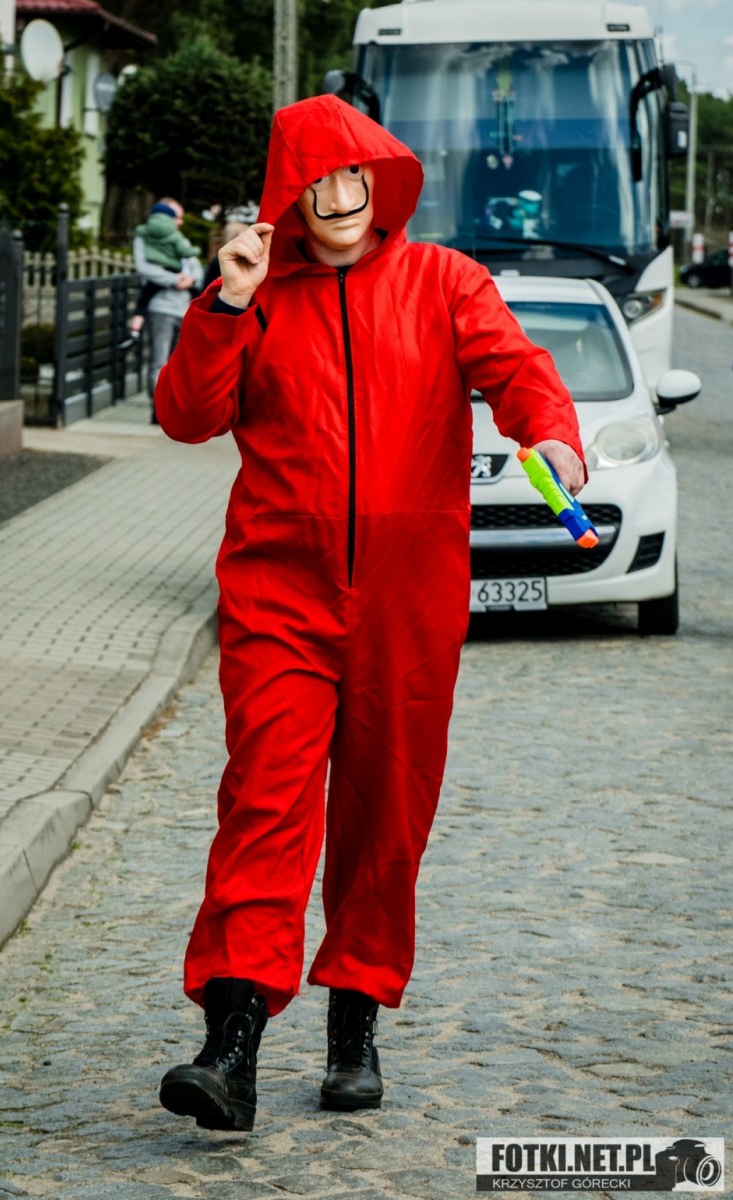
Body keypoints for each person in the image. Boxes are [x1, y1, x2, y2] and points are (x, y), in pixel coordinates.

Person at [154, 95, 586, 1133]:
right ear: (289, 197)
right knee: (265, 801)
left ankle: (355, 1021)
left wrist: (553, 437)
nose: (339, 195)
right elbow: (185, 418)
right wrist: (226, 301)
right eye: (316, 181)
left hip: (408, 597)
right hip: (280, 591)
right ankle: (231, 1045)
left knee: (385, 814)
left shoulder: (445, 281)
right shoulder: (255, 295)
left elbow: (517, 371)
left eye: (353, 176)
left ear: (379, 181)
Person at [131, 198, 202, 421]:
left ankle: (175, 407)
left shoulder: (179, 238)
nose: (180, 222)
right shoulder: (143, 237)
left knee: (179, 363)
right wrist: (174, 279)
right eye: (177, 216)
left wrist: (190, 280)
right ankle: (159, 409)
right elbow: (144, 268)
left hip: (184, 309)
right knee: (159, 361)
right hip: (160, 308)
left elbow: (196, 267)